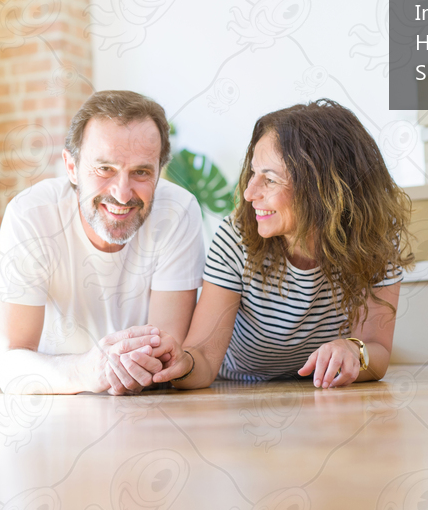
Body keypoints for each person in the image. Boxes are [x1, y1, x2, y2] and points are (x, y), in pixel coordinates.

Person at [148, 99, 414, 388]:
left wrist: (352, 350)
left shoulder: (374, 241)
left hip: (317, 393)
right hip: (238, 392)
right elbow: (202, 357)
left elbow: (377, 351)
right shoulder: (236, 238)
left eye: (270, 180)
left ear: (323, 188)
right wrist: (183, 363)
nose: (249, 193)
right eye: (253, 173)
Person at [0, 90, 205, 395]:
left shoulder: (178, 212)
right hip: (56, 403)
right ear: (71, 167)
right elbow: (7, 362)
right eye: (105, 169)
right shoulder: (31, 216)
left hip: (150, 406)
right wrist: (88, 370)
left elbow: (165, 352)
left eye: (141, 172)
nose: (122, 193)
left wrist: (134, 365)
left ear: (159, 172)